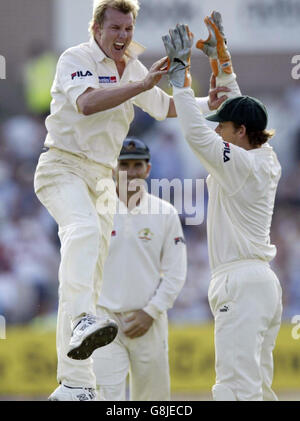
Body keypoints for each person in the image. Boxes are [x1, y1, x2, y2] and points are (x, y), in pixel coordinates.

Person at [34, 0, 228, 401]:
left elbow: (166, 108)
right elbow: (86, 103)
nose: (123, 36)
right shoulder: (76, 57)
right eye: (116, 28)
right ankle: (80, 341)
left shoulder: (134, 68)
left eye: (128, 29)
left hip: (101, 178)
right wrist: (141, 85)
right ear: (96, 27)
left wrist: (212, 102)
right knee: (83, 232)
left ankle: (74, 383)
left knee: (89, 274)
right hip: (62, 167)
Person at [162, 12, 282, 401]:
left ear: (240, 132)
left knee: (234, 390)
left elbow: (195, 133)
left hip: (241, 283)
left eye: (224, 127)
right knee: (258, 390)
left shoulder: (242, 164)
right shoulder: (263, 156)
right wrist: (221, 60)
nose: (218, 131)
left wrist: (180, 74)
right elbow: (238, 106)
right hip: (260, 283)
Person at [92, 138, 187, 401]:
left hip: (149, 321)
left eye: (137, 165)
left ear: (148, 169)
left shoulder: (164, 213)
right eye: (125, 165)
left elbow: (176, 272)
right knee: (107, 397)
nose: (131, 172)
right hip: (105, 318)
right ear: (114, 168)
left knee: (152, 400)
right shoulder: (97, 212)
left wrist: (150, 312)